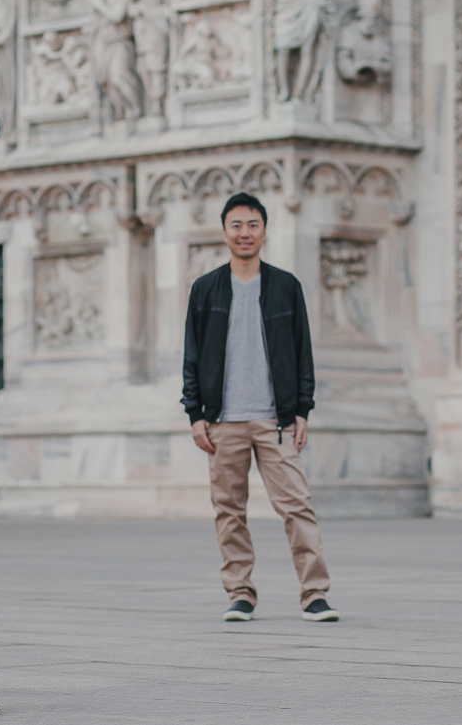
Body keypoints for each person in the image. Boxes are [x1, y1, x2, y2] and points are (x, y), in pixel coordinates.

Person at [182, 192, 339, 623]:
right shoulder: (205, 288)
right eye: (236, 225)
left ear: (265, 230)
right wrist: (195, 414)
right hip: (222, 422)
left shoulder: (286, 286)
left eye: (252, 224)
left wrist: (302, 409)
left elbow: (302, 351)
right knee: (229, 511)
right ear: (225, 231)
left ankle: (314, 593)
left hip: (276, 420)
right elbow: (192, 356)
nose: (244, 232)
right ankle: (240, 593)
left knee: (297, 506)